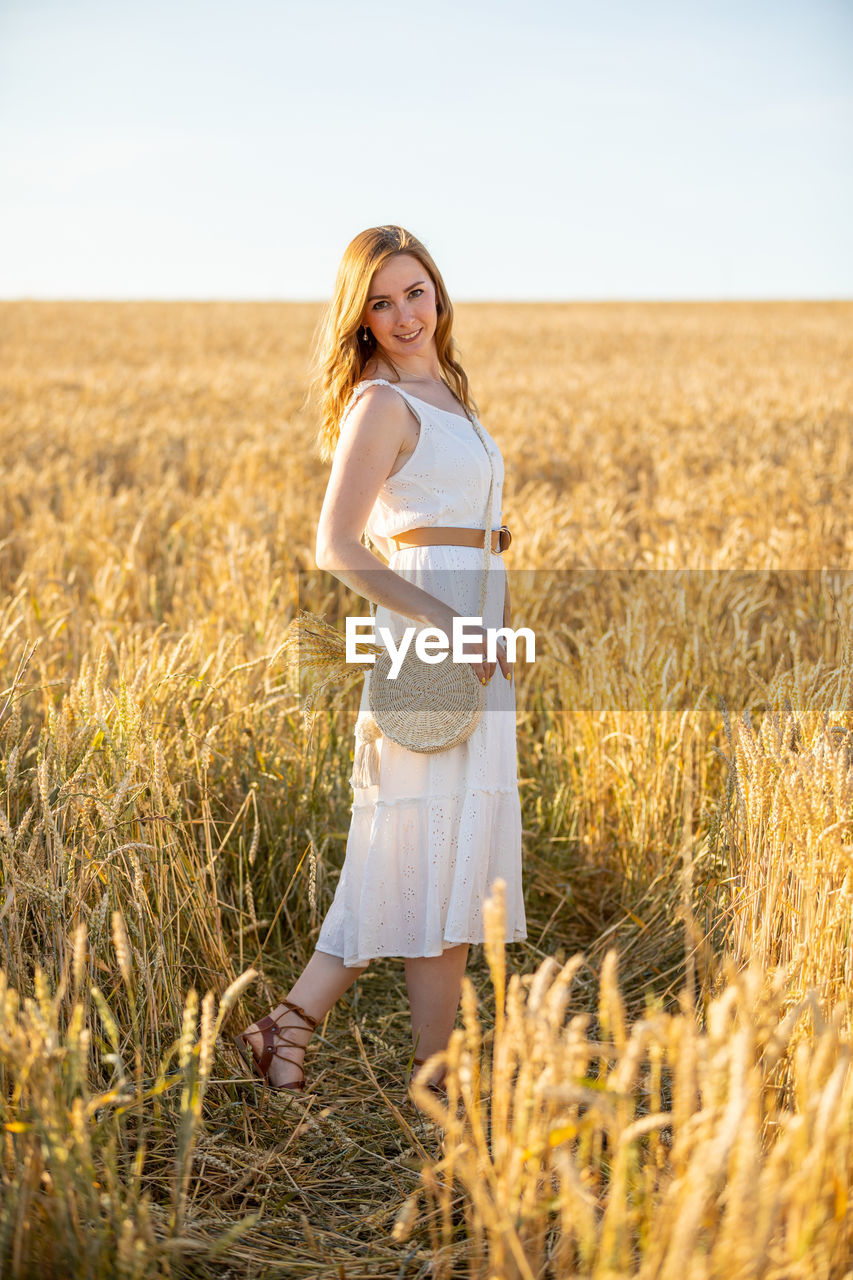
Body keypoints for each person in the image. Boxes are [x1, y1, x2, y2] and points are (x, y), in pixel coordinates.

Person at [235, 225, 527, 1095]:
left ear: (437, 292)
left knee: (442, 859)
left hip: (476, 646)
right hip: (427, 639)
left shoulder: (448, 396)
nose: (403, 315)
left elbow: (480, 541)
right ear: (359, 317)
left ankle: (301, 1036)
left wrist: (502, 633)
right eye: (381, 301)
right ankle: (421, 1076)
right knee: (414, 845)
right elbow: (336, 546)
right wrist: (448, 623)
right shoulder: (380, 404)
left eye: (414, 293)